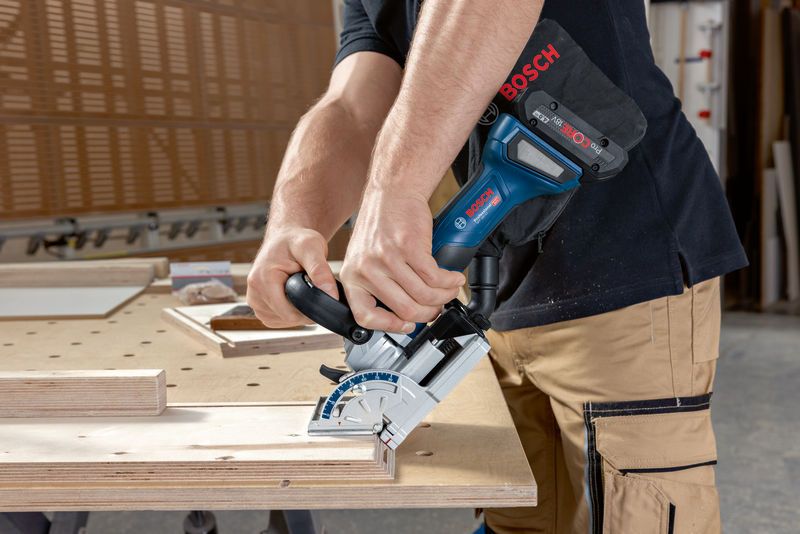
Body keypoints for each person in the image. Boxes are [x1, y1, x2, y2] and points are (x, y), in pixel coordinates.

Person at [246, 1, 747, 532]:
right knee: (519, 516)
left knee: (633, 516)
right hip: (497, 287)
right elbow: (351, 103)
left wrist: (394, 190)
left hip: (624, 260)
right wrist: (294, 222)